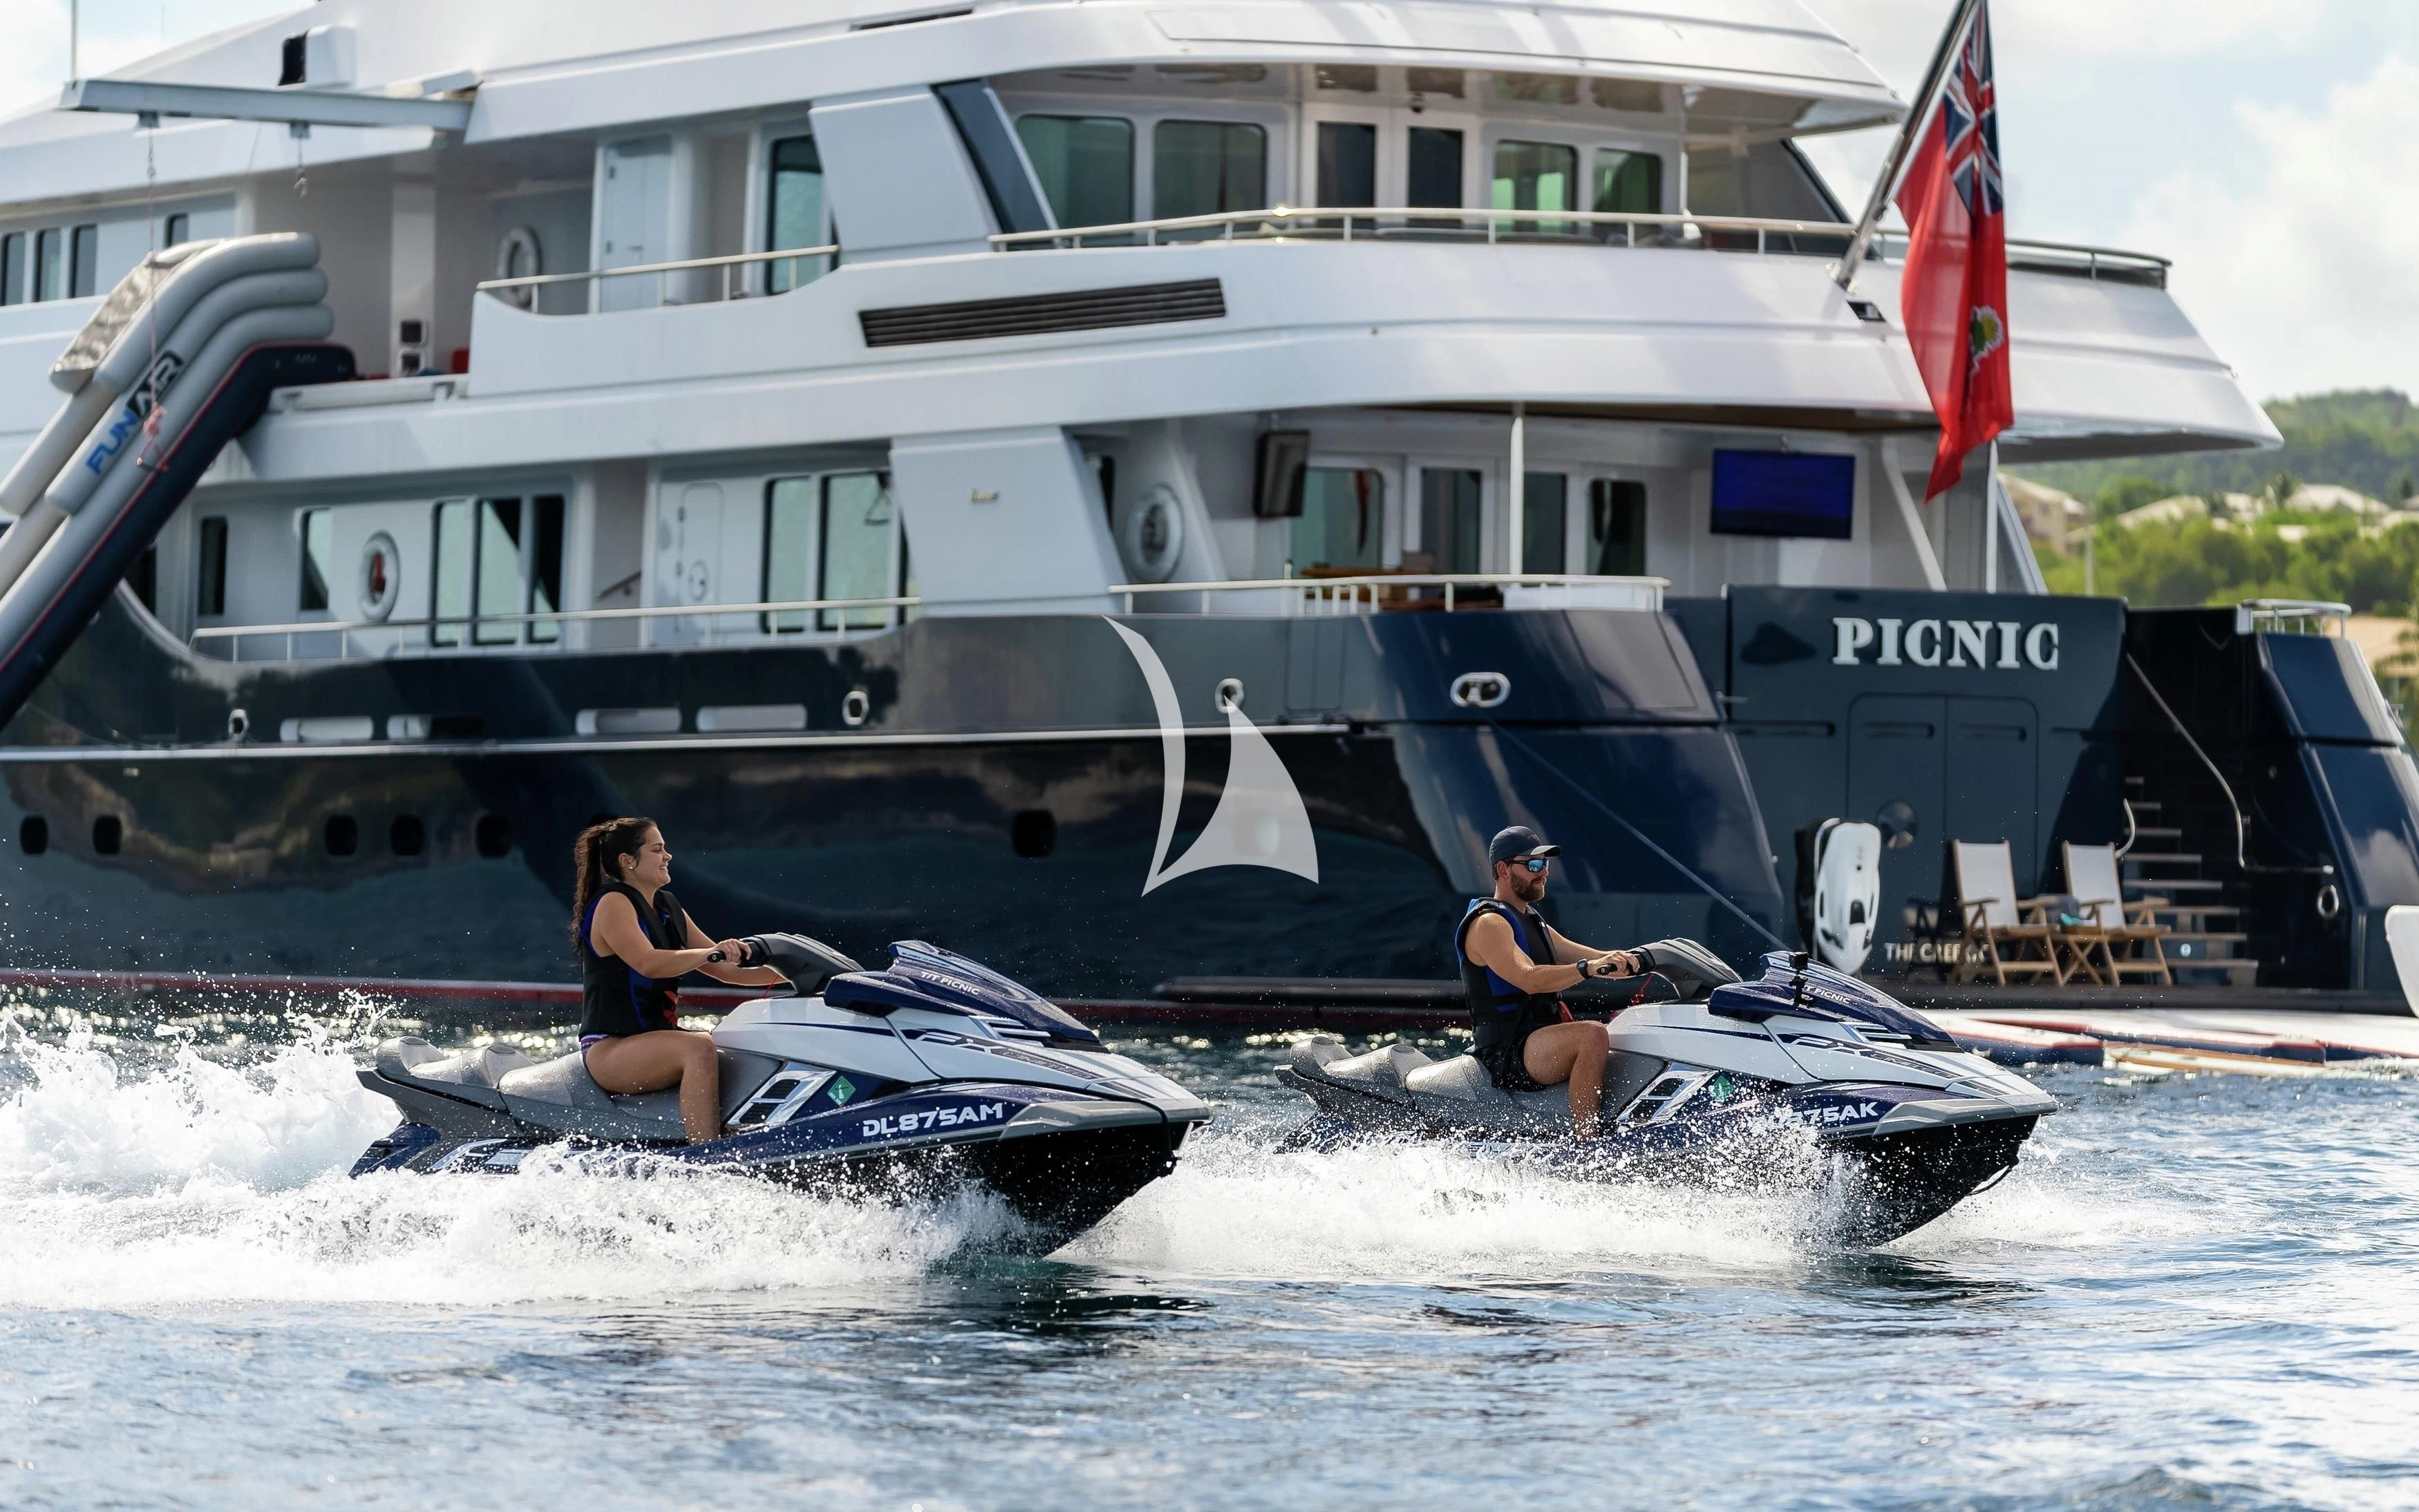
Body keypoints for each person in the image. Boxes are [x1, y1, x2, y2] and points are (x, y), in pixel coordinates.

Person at [570, 817, 783, 1143]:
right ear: (628, 861)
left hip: (655, 1041)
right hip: (609, 1049)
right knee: (697, 1048)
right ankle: (707, 1152)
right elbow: (648, 963)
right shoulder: (613, 903)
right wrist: (711, 953)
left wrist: (795, 974)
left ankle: (752, 1135)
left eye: (665, 848)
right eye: (657, 849)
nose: (667, 856)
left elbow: (726, 971)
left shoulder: (668, 907)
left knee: (739, 1043)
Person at [1456, 826, 1644, 1137]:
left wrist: (1640, 962)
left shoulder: (1531, 919)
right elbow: (1528, 979)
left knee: (1628, 1033)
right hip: (1508, 1049)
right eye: (1532, 865)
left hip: (1538, 1038)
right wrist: (1588, 968)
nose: (1543, 872)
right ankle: (1589, 1143)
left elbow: (1598, 958)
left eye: (1546, 864)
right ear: (1503, 869)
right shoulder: (1489, 924)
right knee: (1592, 1035)